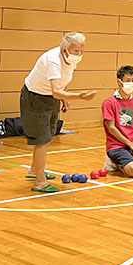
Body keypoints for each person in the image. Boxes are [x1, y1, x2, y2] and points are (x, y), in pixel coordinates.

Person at [20, 32, 95, 193]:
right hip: (36, 97)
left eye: (82, 51)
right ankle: (39, 181)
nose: (79, 55)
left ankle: (34, 170)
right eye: (76, 51)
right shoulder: (53, 60)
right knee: (41, 138)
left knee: (49, 133)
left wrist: (65, 97)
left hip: (49, 97)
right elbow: (56, 90)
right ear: (65, 49)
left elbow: (62, 81)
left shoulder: (70, 59)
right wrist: (78, 96)